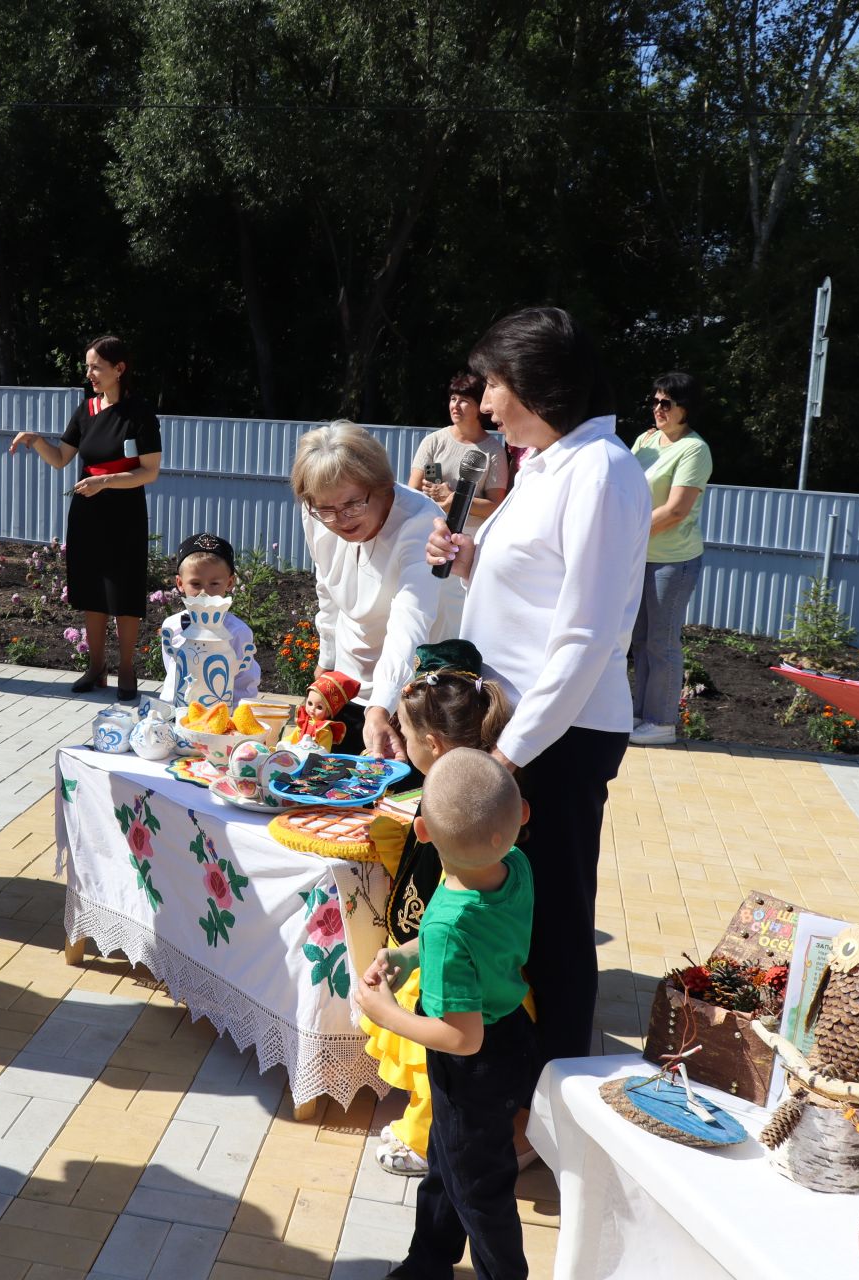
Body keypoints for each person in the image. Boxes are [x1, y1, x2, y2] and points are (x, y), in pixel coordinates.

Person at [427, 306, 651, 1067]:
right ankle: (521, 1088)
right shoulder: (550, 461)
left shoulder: (603, 469)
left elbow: (586, 636)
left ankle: (554, 1103)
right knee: (516, 915)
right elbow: (534, 591)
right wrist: (466, 558)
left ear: (536, 383)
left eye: (493, 385)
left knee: (554, 919)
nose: (485, 405)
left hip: (559, 735)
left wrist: (508, 757)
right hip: (520, 730)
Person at [354, 749, 536, 1280]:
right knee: (448, 1160)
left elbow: (461, 1036)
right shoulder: (517, 868)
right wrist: (406, 953)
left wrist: (384, 1012)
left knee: (481, 1192)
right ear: (521, 815)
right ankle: (428, 1262)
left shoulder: (449, 926)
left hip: (472, 1069)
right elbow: (483, 942)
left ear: (423, 832)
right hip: (514, 1039)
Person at [361, 640, 513, 1178]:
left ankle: (426, 1143)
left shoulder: (443, 814)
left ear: (430, 741)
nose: (399, 742)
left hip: (452, 978)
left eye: (402, 733)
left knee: (436, 1067)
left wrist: (391, 1013)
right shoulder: (492, 808)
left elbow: (458, 1035)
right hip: (497, 981)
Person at [9, 335, 162, 700]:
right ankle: (96, 667)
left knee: (122, 590)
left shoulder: (139, 413)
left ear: (119, 369)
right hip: (87, 512)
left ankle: (126, 669)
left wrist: (105, 482)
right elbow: (62, 458)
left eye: (96, 366)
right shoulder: (85, 410)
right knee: (92, 589)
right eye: (88, 366)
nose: (89, 373)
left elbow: (149, 472)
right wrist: (35, 440)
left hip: (124, 512)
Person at [294, 421, 445, 759]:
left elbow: (411, 623)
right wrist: (327, 658)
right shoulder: (318, 513)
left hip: (414, 688)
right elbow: (327, 588)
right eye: (326, 510)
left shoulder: (421, 522)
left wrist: (381, 706)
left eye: (352, 505)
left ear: (383, 485)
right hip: (348, 682)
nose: (341, 520)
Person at [628, 371, 713, 747]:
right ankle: (640, 716)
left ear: (686, 409)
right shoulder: (645, 440)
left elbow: (676, 510)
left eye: (667, 403)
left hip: (673, 562)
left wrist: (626, 535)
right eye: (655, 400)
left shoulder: (695, 449)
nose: (657, 408)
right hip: (639, 557)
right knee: (641, 639)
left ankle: (661, 722)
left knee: (662, 643)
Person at [408, 373, 509, 642]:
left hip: (467, 550)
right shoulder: (434, 442)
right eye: (453, 399)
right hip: (429, 543)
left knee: (457, 625)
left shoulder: (493, 451)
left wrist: (455, 499)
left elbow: (497, 507)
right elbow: (412, 490)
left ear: (480, 407)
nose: (455, 405)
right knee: (424, 619)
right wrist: (430, 493)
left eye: (464, 400)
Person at [157, 532, 260, 708]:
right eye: (196, 584)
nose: (204, 592)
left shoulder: (237, 632)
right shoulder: (172, 625)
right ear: (180, 583)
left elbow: (245, 680)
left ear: (229, 583)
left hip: (218, 715)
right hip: (175, 711)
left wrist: (237, 714)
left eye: (214, 584)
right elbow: (171, 666)